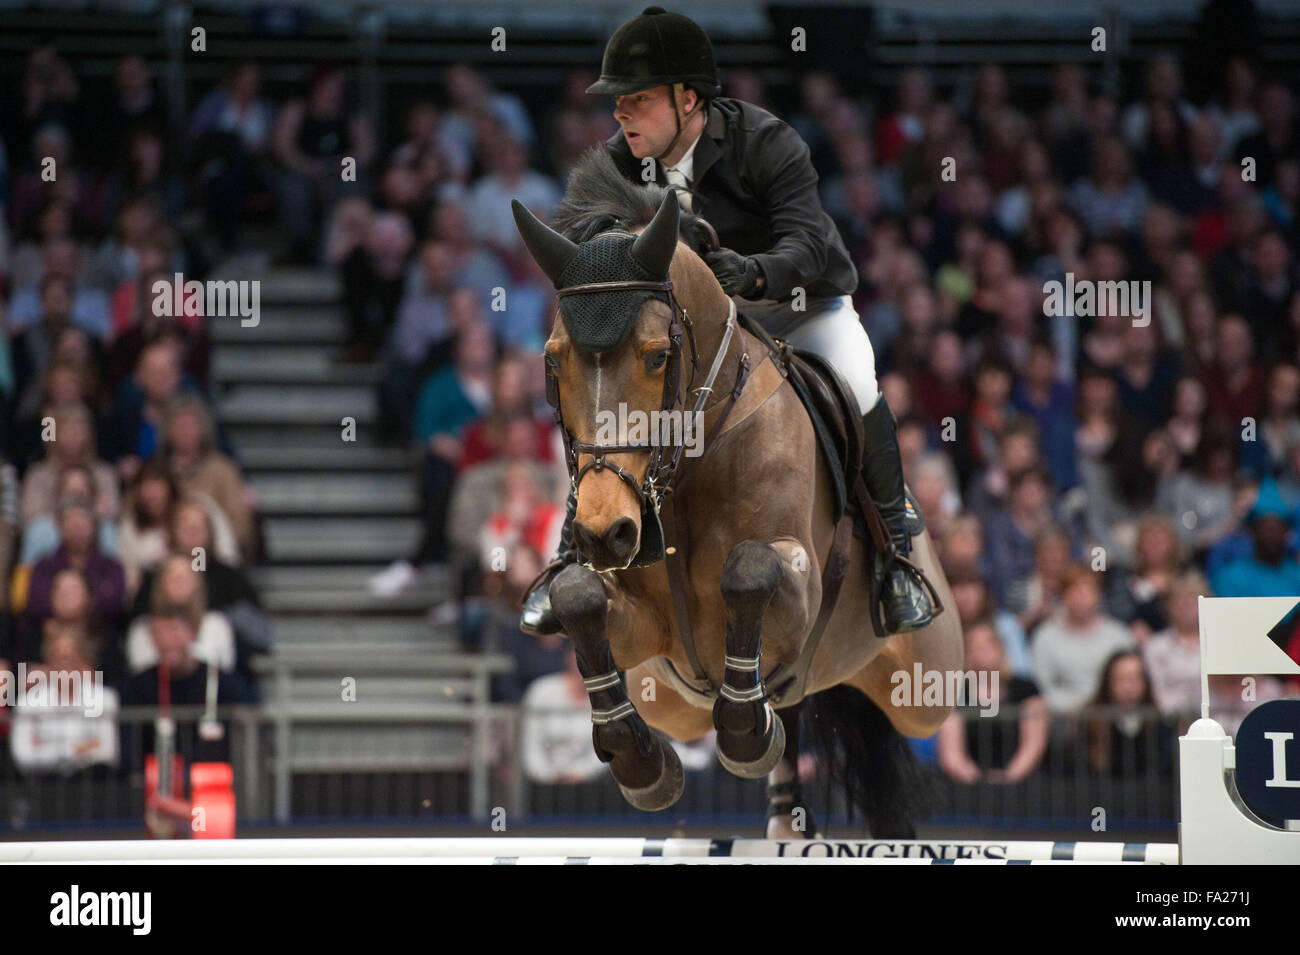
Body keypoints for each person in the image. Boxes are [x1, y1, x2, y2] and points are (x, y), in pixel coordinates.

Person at [521, 6, 932, 637]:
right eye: (617, 102)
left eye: (637, 100)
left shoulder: (768, 142)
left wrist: (757, 272)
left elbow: (811, 242)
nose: (620, 114)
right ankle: (575, 553)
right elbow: (590, 248)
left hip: (794, 305)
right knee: (611, 390)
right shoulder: (616, 163)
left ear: (689, 99)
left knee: (856, 377)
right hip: (696, 332)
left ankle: (896, 552)